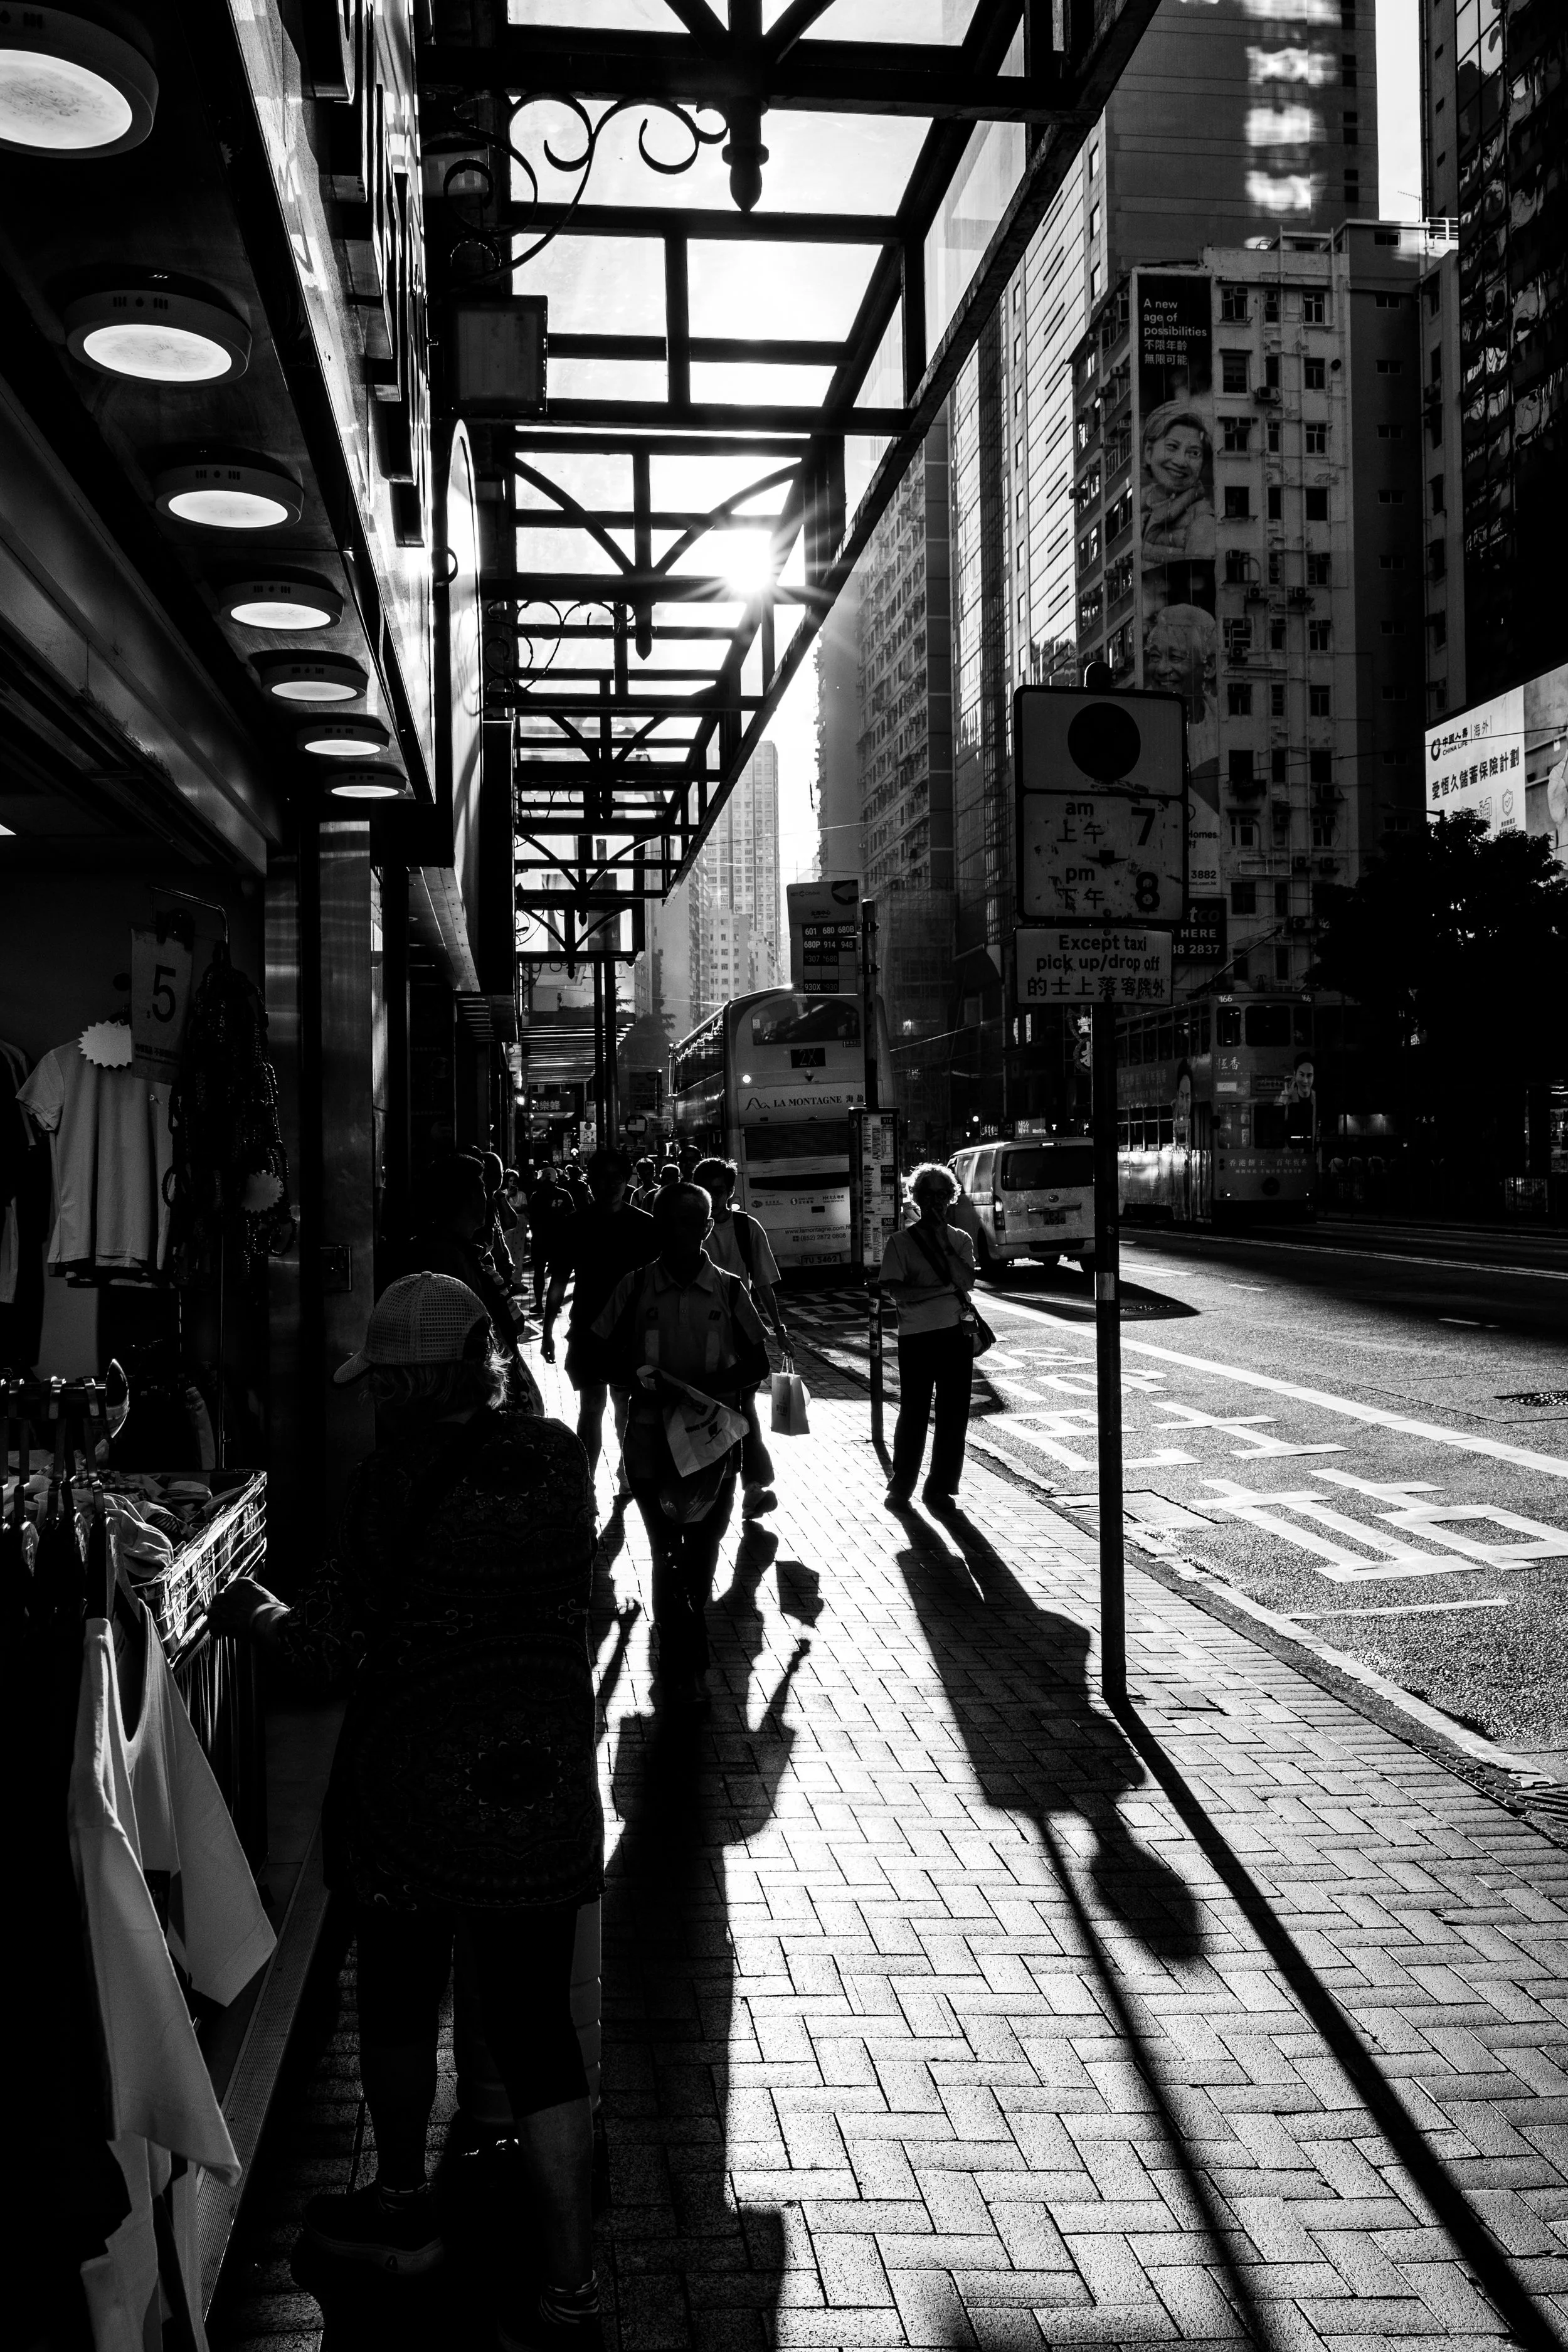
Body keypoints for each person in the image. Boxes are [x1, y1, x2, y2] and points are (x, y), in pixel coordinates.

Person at [208, 1274, 602, 2345]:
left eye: (382, 1378)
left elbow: (327, 1653)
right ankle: (570, 2290)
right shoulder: (561, 1459)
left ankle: (399, 2204)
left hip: (410, 1792)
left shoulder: (388, 1481)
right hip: (542, 1789)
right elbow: (591, 1595)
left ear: (403, 1379)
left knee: (395, 1998)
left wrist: (256, 1613)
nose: (373, 1396)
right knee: (538, 2034)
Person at [585, 1184, 770, 1708]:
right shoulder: (636, 1286)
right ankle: (680, 1654)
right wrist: (642, 1377)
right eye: (672, 1222)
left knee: (704, 1551)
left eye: (694, 1222)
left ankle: (689, 1648)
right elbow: (599, 1352)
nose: (683, 1233)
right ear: (659, 1227)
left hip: (713, 1449)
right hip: (649, 1446)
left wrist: (706, 1392)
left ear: (708, 1228)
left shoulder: (732, 1291)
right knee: (666, 1552)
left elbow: (757, 1361)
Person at [540, 1146, 659, 1489]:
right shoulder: (575, 1226)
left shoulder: (645, 1226)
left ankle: (624, 1470)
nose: (610, 1186)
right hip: (588, 1331)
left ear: (627, 1181)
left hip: (631, 1333)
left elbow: (656, 1283)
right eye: (602, 1179)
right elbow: (558, 1282)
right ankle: (587, 1483)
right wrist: (548, 1330)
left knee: (624, 1406)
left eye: (617, 1179)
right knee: (592, 1408)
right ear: (589, 1182)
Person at [877, 1162, 978, 1515]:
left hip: (955, 1335)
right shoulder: (901, 1242)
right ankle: (903, 1482)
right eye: (928, 1195)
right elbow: (897, 1291)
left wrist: (944, 1248)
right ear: (917, 1199)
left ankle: (941, 1487)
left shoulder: (960, 1240)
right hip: (916, 1337)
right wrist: (939, 1288)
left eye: (943, 1194)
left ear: (952, 1198)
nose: (936, 1201)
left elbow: (966, 1282)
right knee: (915, 1411)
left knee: (954, 1413)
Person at [691, 1155, 788, 1515]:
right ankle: (718, 1487)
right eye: (708, 1191)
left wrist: (779, 1329)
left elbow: (763, 1283)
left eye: (722, 1191)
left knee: (744, 1410)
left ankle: (753, 1485)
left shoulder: (748, 1229)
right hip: (695, 1331)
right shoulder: (684, 1226)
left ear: (731, 1191)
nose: (716, 1198)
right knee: (707, 1410)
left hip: (741, 1331)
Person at [1139, 400, 1215, 565]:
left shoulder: (1202, 521)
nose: (1181, 462)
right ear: (1149, 451)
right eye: (1172, 447)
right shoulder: (1135, 508)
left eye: (1194, 453)